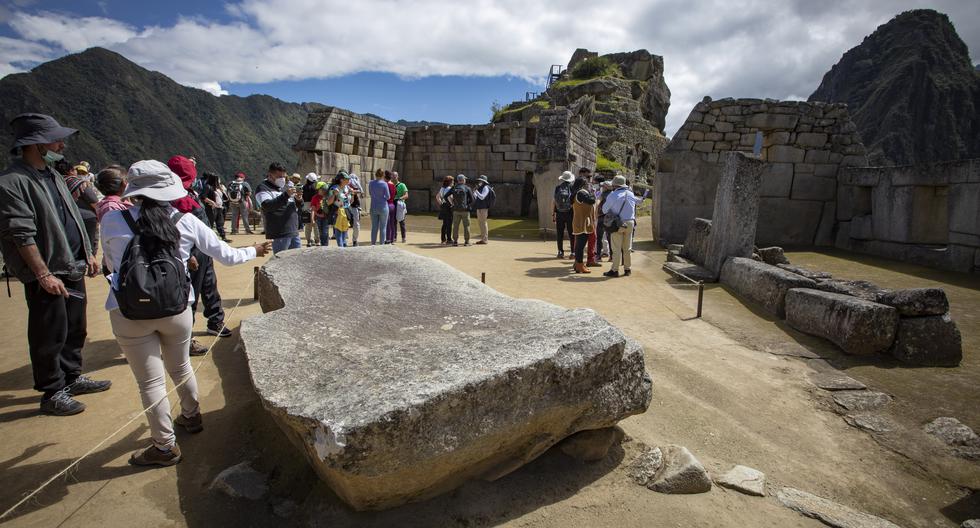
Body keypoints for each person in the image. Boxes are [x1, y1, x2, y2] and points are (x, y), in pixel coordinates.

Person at [101, 159, 270, 466]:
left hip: (128, 312)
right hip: (177, 307)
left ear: (135, 192)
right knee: (180, 367)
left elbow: (112, 267)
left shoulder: (112, 222)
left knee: (150, 382)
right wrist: (254, 250)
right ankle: (191, 416)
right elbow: (228, 256)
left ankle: (164, 447)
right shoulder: (186, 220)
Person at [0, 113, 108, 416]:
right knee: (49, 332)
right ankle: (52, 391)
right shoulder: (12, 183)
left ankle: (72, 376)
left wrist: (88, 252)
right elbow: (22, 233)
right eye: (55, 139)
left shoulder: (54, 175)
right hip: (49, 269)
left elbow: (73, 217)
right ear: (34, 143)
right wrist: (42, 273)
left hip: (72, 263)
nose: (61, 144)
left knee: (76, 326)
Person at [168, 156, 232, 346]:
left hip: (203, 249)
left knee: (210, 286)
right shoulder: (176, 199)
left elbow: (206, 186)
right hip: (190, 252)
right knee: (191, 293)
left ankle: (215, 320)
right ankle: (186, 337)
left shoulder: (191, 192)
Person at [255, 162, 302, 254]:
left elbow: (297, 206)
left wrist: (299, 200)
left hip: (293, 230)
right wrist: (286, 195)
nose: (282, 179)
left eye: (284, 176)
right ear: (270, 175)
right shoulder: (262, 188)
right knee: (280, 261)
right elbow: (267, 206)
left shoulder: (286, 186)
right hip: (280, 232)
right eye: (279, 176)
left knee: (297, 260)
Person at [602, 175, 641, 278]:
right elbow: (638, 202)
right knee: (627, 248)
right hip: (630, 222)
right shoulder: (631, 194)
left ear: (614, 185)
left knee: (616, 248)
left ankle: (615, 270)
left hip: (618, 223)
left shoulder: (613, 195)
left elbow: (604, 210)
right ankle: (627, 269)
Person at [570, 176, 596, 274]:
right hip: (583, 223)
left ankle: (577, 264)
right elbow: (591, 200)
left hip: (580, 221)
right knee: (580, 246)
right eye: (587, 183)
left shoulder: (577, 193)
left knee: (579, 245)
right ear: (583, 185)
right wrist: (592, 193)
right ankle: (580, 265)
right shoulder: (581, 193)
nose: (589, 185)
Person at [552, 171, 575, 258]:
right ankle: (573, 252)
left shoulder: (558, 188)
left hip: (559, 213)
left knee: (559, 233)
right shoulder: (572, 187)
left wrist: (553, 213)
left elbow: (554, 201)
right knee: (571, 233)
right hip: (570, 213)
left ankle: (560, 252)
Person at [201, 172, 229, 242]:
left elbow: (224, 197)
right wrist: (212, 202)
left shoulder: (218, 187)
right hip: (211, 208)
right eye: (217, 179)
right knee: (210, 223)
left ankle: (223, 237)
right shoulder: (208, 186)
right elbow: (203, 197)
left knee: (220, 223)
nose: (219, 180)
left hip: (219, 207)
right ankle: (208, 238)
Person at [448, 174, 474, 247]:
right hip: (465, 210)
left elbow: (446, 195)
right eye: (465, 179)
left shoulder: (454, 187)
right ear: (463, 180)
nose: (465, 180)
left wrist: (452, 203)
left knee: (455, 226)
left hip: (455, 210)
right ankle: (467, 241)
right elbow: (472, 200)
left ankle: (455, 241)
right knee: (466, 226)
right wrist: (467, 205)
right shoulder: (467, 188)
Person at [327, 172, 351, 247]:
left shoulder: (347, 188)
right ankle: (340, 247)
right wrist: (334, 194)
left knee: (345, 228)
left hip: (346, 210)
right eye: (346, 179)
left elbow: (349, 201)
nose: (348, 180)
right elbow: (329, 202)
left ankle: (343, 244)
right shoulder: (334, 188)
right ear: (341, 180)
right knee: (338, 229)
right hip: (337, 211)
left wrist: (352, 195)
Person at [368, 169, 390, 245]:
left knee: (374, 227)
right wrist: (382, 197)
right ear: (383, 175)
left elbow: (370, 193)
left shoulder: (371, 183)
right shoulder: (384, 184)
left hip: (373, 206)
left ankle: (373, 244)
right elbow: (388, 197)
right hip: (383, 207)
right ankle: (381, 245)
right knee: (383, 227)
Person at [472, 175, 495, 245]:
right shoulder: (480, 188)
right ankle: (482, 239)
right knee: (480, 223)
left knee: (484, 223)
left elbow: (482, 197)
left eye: (481, 181)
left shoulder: (486, 188)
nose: (479, 182)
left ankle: (485, 239)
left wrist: (476, 191)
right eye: (479, 181)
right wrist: (474, 192)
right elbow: (476, 197)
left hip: (484, 208)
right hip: (479, 207)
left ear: (484, 181)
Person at [594, 179, 613, 262]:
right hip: (610, 218)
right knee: (610, 238)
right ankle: (611, 256)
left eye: (603, 186)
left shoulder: (602, 194)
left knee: (599, 238)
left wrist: (595, 214)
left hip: (601, 217)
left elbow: (597, 203)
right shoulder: (613, 194)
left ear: (605, 187)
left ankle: (598, 256)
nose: (601, 187)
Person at [301, 172, 320, 247]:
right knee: (315, 224)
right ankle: (317, 240)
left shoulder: (303, 187)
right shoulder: (315, 189)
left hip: (305, 205)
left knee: (308, 225)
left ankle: (309, 241)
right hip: (314, 205)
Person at [435, 175, 454, 244]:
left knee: (444, 223)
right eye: (452, 181)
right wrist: (452, 204)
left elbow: (437, 197)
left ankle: (443, 239)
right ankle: (449, 239)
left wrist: (441, 203)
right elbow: (449, 197)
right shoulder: (449, 188)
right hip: (449, 206)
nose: (453, 183)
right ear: (450, 182)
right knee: (449, 223)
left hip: (444, 206)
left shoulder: (442, 188)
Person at [347, 172, 362, 246]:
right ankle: (354, 240)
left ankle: (354, 240)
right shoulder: (347, 185)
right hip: (348, 205)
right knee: (354, 223)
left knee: (356, 224)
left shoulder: (354, 184)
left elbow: (360, 191)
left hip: (353, 206)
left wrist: (354, 192)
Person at [392, 171, 408, 243]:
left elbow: (406, 195)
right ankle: (394, 237)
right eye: (392, 176)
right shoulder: (390, 185)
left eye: (395, 176)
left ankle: (403, 237)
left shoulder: (402, 185)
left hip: (400, 204)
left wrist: (400, 198)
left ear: (397, 176)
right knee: (393, 221)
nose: (394, 177)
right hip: (393, 204)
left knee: (402, 221)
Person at [383, 171, 397, 243]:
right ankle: (392, 239)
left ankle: (388, 239)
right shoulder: (393, 185)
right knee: (392, 223)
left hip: (387, 204)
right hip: (392, 205)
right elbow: (395, 193)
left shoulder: (386, 185)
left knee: (387, 223)